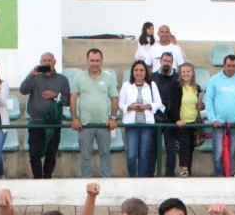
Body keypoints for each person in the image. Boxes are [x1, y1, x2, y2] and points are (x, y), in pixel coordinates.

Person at [19, 52, 70, 180]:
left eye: (49, 60)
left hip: (54, 122)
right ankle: (37, 178)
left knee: (51, 154)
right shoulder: (34, 77)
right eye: (44, 60)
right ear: (40, 62)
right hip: (36, 122)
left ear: (54, 62)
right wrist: (31, 75)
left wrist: (55, 95)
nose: (47, 62)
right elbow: (23, 90)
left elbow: (68, 100)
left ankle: (47, 177)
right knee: (34, 153)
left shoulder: (62, 79)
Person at [70, 48, 119, 179]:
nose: (94, 63)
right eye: (92, 60)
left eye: (97, 60)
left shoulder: (108, 78)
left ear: (101, 61)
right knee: (85, 156)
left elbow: (114, 98)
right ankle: (85, 182)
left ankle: (106, 180)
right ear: (87, 61)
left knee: (105, 154)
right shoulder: (79, 77)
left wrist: (113, 118)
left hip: (104, 124)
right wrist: (74, 118)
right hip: (85, 125)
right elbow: (73, 98)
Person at [205, 55, 235, 177]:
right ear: (224, 65)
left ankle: (227, 176)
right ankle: (219, 177)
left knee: (231, 153)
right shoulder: (214, 79)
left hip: (234, 124)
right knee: (218, 153)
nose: (231, 68)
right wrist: (213, 119)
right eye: (228, 65)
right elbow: (209, 100)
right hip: (218, 124)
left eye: (234, 66)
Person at [119, 60, 163, 178]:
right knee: (132, 155)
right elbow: (120, 104)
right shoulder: (126, 85)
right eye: (136, 70)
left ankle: (142, 179)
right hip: (131, 124)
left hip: (147, 124)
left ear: (145, 72)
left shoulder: (151, 85)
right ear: (132, 72)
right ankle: (132, 178)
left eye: (141, 70)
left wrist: (148, 106)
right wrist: (129, 107)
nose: (138, 73)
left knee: (144, 155)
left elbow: (158, 103)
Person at [166, 63, 203, 178]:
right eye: (184, 72)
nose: (186, 74)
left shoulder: (196, 87)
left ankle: (188, 172)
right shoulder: (176, 86)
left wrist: (201, 106)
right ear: (180, 73)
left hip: (193, 122)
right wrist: (177, 119)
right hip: (181, 123)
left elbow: (198, 103)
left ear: (192, 73)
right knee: (185, 142)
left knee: (190, 147)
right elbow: (173, 105)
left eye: (188, 71)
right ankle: (184, 168)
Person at [152, 52, 180, 176]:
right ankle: (150, 174)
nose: (167, 63)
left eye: (169, 61)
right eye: (165, 61)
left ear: (172, 62)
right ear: (160, 61)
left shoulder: (178, 78)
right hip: (155, 118)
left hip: (171, 119)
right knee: (153, 149)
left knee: (171, 149)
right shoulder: (152, 77)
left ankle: (170, 175)